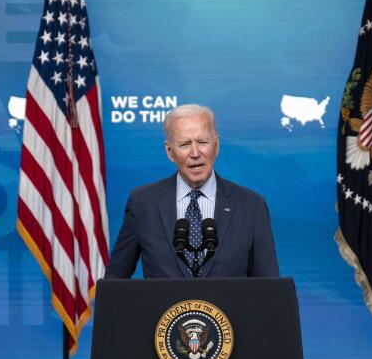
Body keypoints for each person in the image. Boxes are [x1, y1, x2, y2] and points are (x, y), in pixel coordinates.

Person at [105, 104, 278, 279]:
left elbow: (270, 290)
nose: (195, 153)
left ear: (216, 146)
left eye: (203, 142)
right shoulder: (143, 203)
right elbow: (114, 283)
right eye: (185, 144)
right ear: (170, 152)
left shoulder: (251, 205)